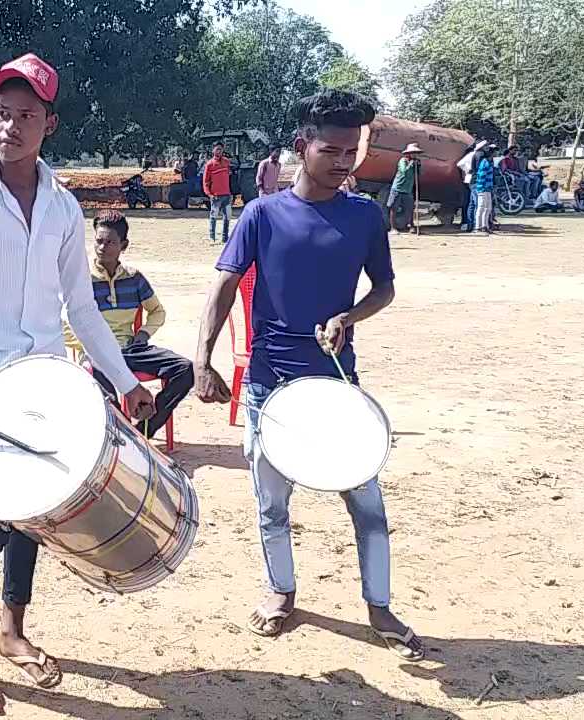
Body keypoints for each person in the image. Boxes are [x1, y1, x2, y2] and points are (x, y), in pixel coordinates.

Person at [0, 53, 156, 717]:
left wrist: (127, 380)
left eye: (24, 116)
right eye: (1, 113)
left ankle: (14, 629)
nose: (9, 126)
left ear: (49, 123)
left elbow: (80, 307)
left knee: (38, 511)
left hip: (47, 381)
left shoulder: (64, 207)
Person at [192, 88, 424, 663]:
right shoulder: (262, 214)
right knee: (271, 502)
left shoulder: (366, 216)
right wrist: (203, 359)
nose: (344, 162)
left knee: (366, 501)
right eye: (332, 150)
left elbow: (385, 287)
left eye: (353, 151)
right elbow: (224, 284)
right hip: (271, 385)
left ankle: (379, 604)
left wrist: (352, 315)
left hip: (339, 385)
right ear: (302, 147)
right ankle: (281, 591)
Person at [64, 210, 193, 440]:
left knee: (185, 369)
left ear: (124, 245)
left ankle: (144, 430)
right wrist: (90, 345)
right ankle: (120, 438)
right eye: (99, 241)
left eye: (110, 242)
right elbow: (64, 323)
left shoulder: (134, 278)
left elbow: (157, 312)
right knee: (103, 393)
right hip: (96, 353)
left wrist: (143, 333)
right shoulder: (82, 280)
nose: (103, 247)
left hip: (131, 348)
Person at [386, 143, 422, 233]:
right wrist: (411, 164)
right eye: (413, 153)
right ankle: (393, 228)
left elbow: (418, 174)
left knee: (409, 208)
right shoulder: (403, 161)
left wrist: (418, 166)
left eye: (416, 153)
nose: (415, 155)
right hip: (398, 188)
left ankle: (412, 226)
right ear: (408, 153)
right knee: (394, 208)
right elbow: (404, 171)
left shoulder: (416, 162)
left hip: (407, 190)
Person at [202, 142, 232, 243]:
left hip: (226, 195)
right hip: (215, 196)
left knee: (227, 216)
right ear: (213, 150)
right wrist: (209, 194)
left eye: (220, 149)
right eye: (217, 149)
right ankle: (212, 237)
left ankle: (225, 238)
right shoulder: (209, 164)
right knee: (214, 216)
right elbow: (205, 181)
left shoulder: (227, 162)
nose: (219, 151)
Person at [473, 145, 496, 234]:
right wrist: (482, 188)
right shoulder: (484, 162)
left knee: (488, 208)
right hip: (482, 188)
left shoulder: (489, 162)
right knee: (481, 207)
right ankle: (478, 227)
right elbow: (481, 176)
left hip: (488, 188)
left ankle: (485, 226)